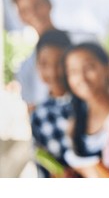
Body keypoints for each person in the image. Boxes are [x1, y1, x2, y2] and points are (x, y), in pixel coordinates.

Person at [62, 42, 109, 178]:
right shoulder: (74, 125)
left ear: (107, 68)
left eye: (89, 68)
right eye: (73, 72)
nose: (81, 78)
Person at [30, 29, 74, 177]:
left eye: (60, 63)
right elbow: (42, 167)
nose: (53, 72)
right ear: (37, 65)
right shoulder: (38, 116)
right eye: (44, 64)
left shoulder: (87, 102)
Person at [12, 0, 56, 109]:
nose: (33, 13)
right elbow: (32, 108)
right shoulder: (25, 68)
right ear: (20, 17)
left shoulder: (80, 44)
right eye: (25, 10)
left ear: (49, 4)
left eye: (37, 5)